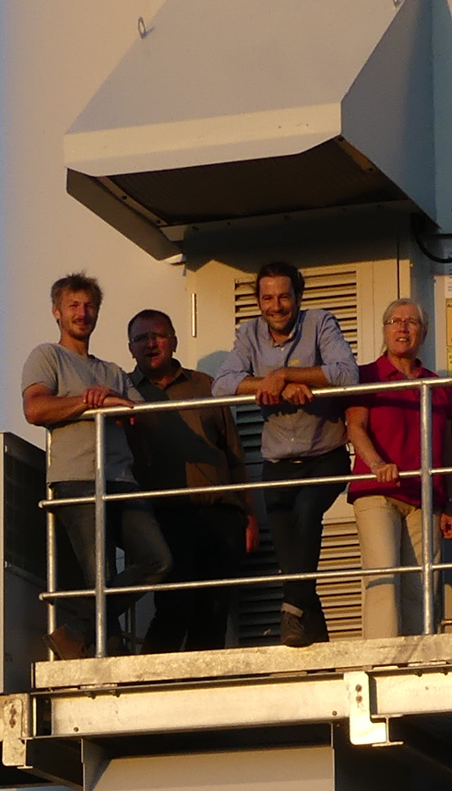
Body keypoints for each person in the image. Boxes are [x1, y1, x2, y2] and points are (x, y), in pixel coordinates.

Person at [19, 272, 169, 656]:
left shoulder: (112, 372)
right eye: (73, 305)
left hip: (121, 478)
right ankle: (108, 654)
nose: (82, 313)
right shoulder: (47, 356)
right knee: (99, 574)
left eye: (89, 306)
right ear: (56, 312)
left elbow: (149, 420)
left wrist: (117, 402)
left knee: (158, 559)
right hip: (77, 479)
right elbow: (35, 409)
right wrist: (88, 402)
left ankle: (76, 631)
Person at [227, 261, 358, 647]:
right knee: (291, 561)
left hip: (326, 453)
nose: (276, 306)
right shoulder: (249, 333)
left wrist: (286, 375)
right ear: (258, 301)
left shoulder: (320, 322)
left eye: (284, 297)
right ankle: (318, 641)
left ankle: (290, 613)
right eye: (267, 298)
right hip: (278, 462)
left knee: (307, 512)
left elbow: (346, 373)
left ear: (298, 297)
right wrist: (273, 386)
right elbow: (223, 384)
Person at [123, 308, 251, 653]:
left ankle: (204, 679)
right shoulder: (125, 392)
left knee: (214, 611)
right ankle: (149, 678)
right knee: (174, 607)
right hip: (165, 517)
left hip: (220, 515)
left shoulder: (205, 386)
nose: (150, 344)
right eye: (140, 338)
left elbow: (234, 456)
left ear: (174, 341)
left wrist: (249, 515)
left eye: (158, 335)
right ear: (130, 348)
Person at [341, 298, 452, 640]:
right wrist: (378, 465)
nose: (402, 328)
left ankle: (420, 660)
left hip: (425, 498)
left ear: (423, 333)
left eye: (411, 322)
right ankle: (384, 661)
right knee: (384, 578)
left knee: (423, 586)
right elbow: (355, 427)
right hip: (377, 492)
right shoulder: (366, 375)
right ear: (384, 330)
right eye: (394, 321)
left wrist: (449, 503)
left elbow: (446, 448)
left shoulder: (437, 385)